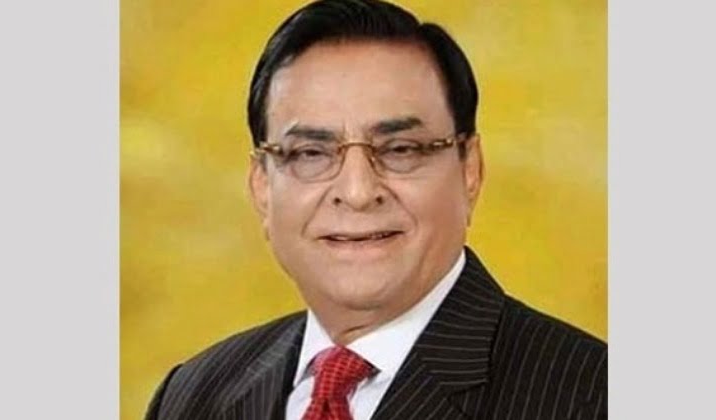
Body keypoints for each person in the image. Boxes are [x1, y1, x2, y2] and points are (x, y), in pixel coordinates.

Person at [145, 0, 607, 419]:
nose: (358, 191)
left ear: (470, 169)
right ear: (262, 186)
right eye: (310, 153)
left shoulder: (595, 396)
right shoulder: (192, 397)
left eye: (401, 149)